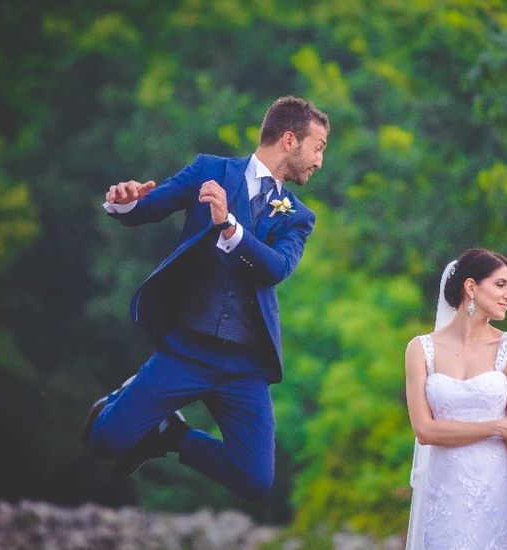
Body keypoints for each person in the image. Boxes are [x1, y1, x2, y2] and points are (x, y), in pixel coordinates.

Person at [80, 96, 329, 500]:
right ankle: (123, 396)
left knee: (255, 481)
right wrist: (125, 202)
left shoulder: (297, 216)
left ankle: (171, 435)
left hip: (245, 366)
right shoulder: (209, 170)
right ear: (289, 140)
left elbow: (277, 268)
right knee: (104, 442)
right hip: (187, 349)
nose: (319, 161)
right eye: (318, 147)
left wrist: (230, 228)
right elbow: (150, 207)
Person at [405, 248, 507, 549]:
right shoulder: (420, 350)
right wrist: (497, 427)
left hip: (501, 486)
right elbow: (425, 431)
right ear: (471, 287)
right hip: (447, 493)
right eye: (501, 285)